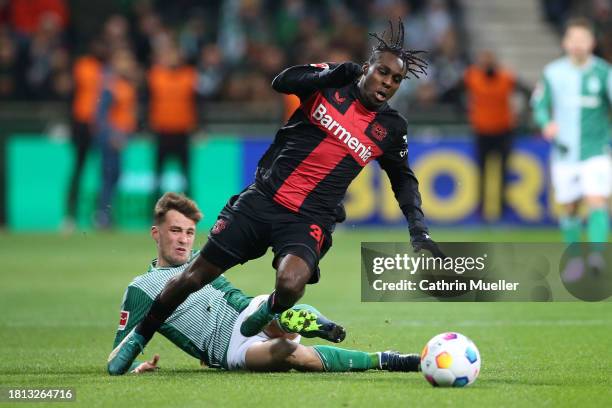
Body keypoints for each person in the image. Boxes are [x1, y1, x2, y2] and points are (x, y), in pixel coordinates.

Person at [108, 20, 443, 375]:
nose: (387, 84)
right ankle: (140, 336)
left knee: (290, 284)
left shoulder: (391, 128)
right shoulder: (331, 84)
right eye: (383, 73)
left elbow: (404, 181)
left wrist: (418, 230)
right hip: (263, 199)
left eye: (395, 80)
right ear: (367, 68)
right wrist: (328, 75)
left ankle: (269, 310)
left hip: (308, 219)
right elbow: (281, 82)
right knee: (194, 276)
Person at [108, 192, 420, 374]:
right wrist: (136, 366)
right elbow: (116, 358)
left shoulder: (203, 260)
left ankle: (369, 349)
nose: (183, 240)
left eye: (189, 232)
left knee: (279, 318)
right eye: (175, 231)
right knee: (289, 351)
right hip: (227, 350)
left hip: (248, 312)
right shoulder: (141, 289)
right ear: (155, 233)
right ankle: (377, 358)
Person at [531, 17, 611, 280]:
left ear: (592, 43)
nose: (577, 45)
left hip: (596, 150)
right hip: (564, 152)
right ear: (565, 42)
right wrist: (546, 123)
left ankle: (597, 258)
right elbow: (540, 105)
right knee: (569, 208)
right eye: (573, 40)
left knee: (596, 199)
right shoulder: (553, 72)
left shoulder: (604, 73)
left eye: (583, 40)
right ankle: (575, 259)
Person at [461, 50, 530, 220]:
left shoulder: (506, 77)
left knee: (503, 172)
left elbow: (527, 93)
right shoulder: (472, 77)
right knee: (482, 172)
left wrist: (521, 115)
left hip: (503, 131)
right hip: (482, 131)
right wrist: (464, 111)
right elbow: (453, 93)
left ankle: (502, 209)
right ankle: (482, 209)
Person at [94, 47, 138, 229]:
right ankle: (102, 215)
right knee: (109, 176)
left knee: (114, 176)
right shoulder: (111, 86)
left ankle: (107, 214)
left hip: (120, 137)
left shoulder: (126, 85)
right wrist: (111, 136)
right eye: (123, 60)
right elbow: (101, 115)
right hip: (111, 138)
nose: (127, 65)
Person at [147, 45, 198, 201]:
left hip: (182, 132)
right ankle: (155, 211)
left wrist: (199, 127)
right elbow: (146, 100)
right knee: (158, 175)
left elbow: (198, 102)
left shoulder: (189, 75)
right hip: (162, 131)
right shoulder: (155, 75)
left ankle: (189, 211)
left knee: (186, 175)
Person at [64, 37, 105, 229]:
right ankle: (70, 215)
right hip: (83, 123)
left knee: (103, 172)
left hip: (101, 124)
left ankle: (101, 216)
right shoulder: (84, 66)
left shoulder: (105, 68)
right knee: (79, 170)